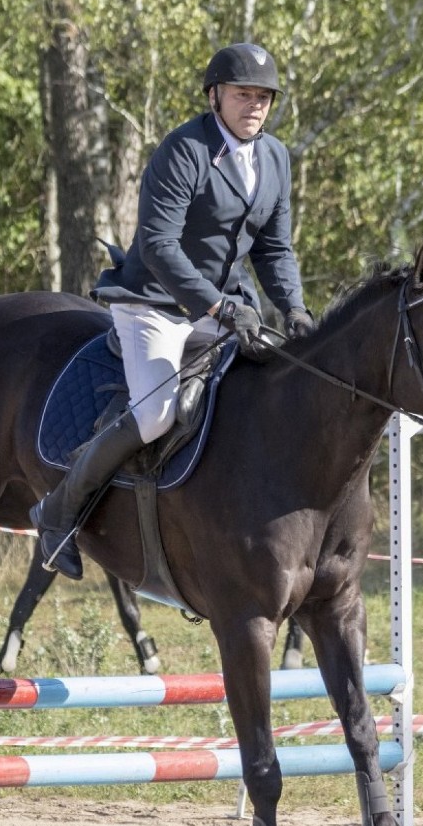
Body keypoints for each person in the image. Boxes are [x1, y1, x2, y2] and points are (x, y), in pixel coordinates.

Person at [31, 42, 314, 579]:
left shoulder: (275, 157)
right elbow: (160, 245)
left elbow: (274, 249)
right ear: (215, 96)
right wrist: (217, 305)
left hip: (226, 308)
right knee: (157, 412)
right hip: (155, 303)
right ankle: (58, 509)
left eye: (263, 97)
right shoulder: (185, 149)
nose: (253, 105)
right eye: (242, 94)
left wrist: (295, 310)